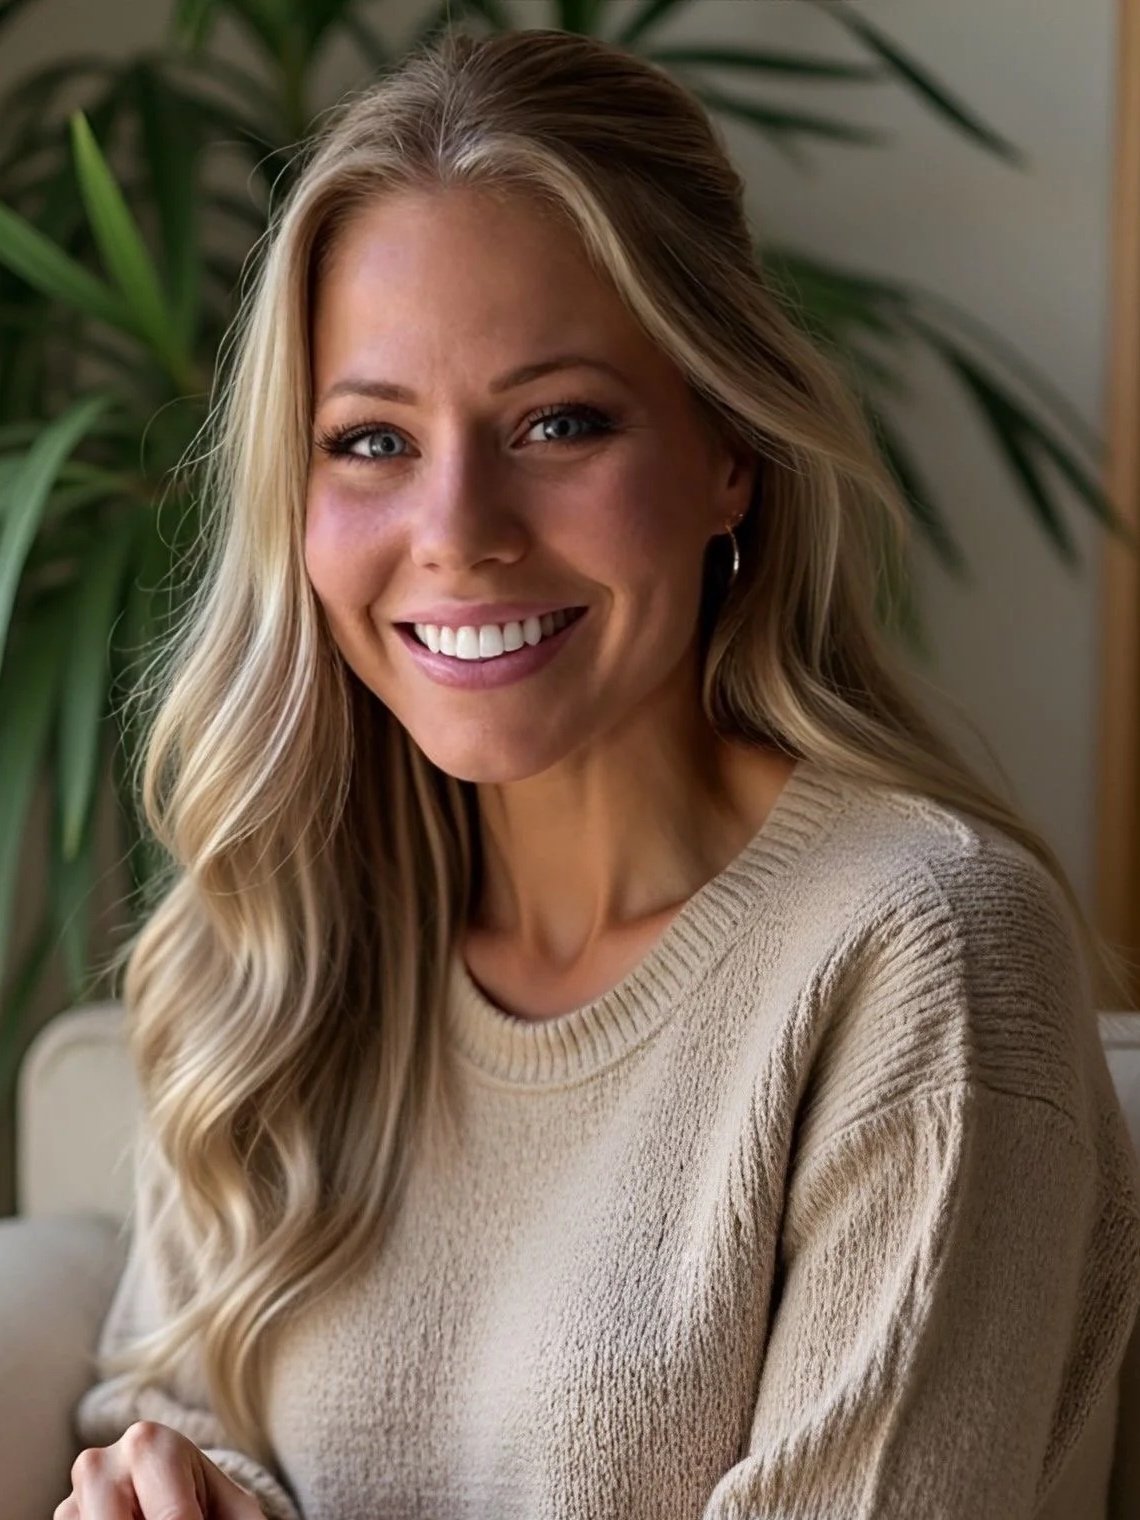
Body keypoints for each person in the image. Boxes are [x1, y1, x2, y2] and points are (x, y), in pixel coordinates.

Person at [57, 24, 1140, 1520]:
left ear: (729, 452)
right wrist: (179, 1489)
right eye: (370, 440)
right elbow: (164, 1402)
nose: (459, 528)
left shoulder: (921, 958)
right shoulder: (288, 947)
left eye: (559, 422)